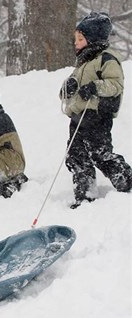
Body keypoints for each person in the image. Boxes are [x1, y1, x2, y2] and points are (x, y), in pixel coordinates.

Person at [59, 12, 131, 209]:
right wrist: (68, 88)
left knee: (99, 153)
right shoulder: (82, 64)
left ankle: (126, 180)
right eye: (76, 39)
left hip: (97, 115)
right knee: (76, 156)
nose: (76, 43)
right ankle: (85, 193)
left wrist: (95, 87)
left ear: (93, 39)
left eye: (80, 39)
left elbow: (115, 85)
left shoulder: (106, 59)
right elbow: (65, 94)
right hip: (77, 118)